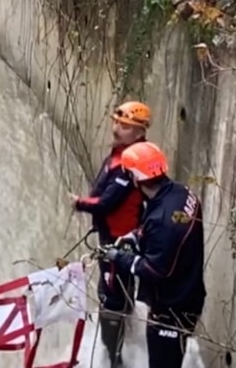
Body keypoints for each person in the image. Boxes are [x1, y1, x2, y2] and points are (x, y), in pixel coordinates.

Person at [104, 141, 205, 368]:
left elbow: (154, 270)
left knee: (163, 362)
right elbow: (165, 236)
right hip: (190, 294)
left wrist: (119, 257)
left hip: (171, 310)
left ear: (136, 178)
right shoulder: (181, 193)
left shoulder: (162, 219)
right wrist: (136, 236)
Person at [68, 101, 150, 366]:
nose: (117, 128)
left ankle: (113, 356)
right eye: (116, 122)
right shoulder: (120, 154)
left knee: (110, 294)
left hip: (120, 241)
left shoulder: (129, 164)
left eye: (125, 126)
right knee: (121, 288)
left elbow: (107, 202)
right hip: (114, 235)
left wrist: (79, 203)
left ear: (139, 132)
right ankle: (121, 331)